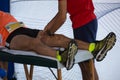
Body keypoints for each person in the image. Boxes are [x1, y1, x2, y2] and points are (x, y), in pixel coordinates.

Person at [0, 10, 116, 73]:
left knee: (57, 37)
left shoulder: (4, 14)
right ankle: (62, 57)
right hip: (11, 38)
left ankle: (93, 47)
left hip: (25, 29)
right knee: (34, 44)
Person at [43, 0, 116, 80]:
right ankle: (97, 47)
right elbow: (61, 13)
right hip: (88, 22)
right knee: (87, 64)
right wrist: (47, 29)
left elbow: (62, 17)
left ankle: (98, 47)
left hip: (82, 24)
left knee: (87, 66)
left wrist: (49, 33)